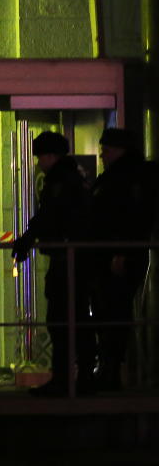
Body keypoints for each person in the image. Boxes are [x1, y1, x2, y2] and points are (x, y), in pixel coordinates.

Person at [12, 132, 95, 397]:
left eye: (40, 157)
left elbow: (50, 215)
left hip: (67, 259)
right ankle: (83, 376)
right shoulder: (75, 179)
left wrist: (28, 237)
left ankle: (64, 379)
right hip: (75, 259)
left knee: (61, 319)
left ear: (51, 156)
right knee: (76, 317)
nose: (38, 163)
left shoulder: (60, 181)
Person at [89, 128, 158, 390]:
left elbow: (131, 217)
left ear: (119, 150)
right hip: (112, 256)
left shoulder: (127, 179)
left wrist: (121, 252)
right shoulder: (124, 177)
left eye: (106, 150)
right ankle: (110, 369)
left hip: (116, 258)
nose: (102, 155)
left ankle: (111, 371)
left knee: (113, 312)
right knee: (111, 313)